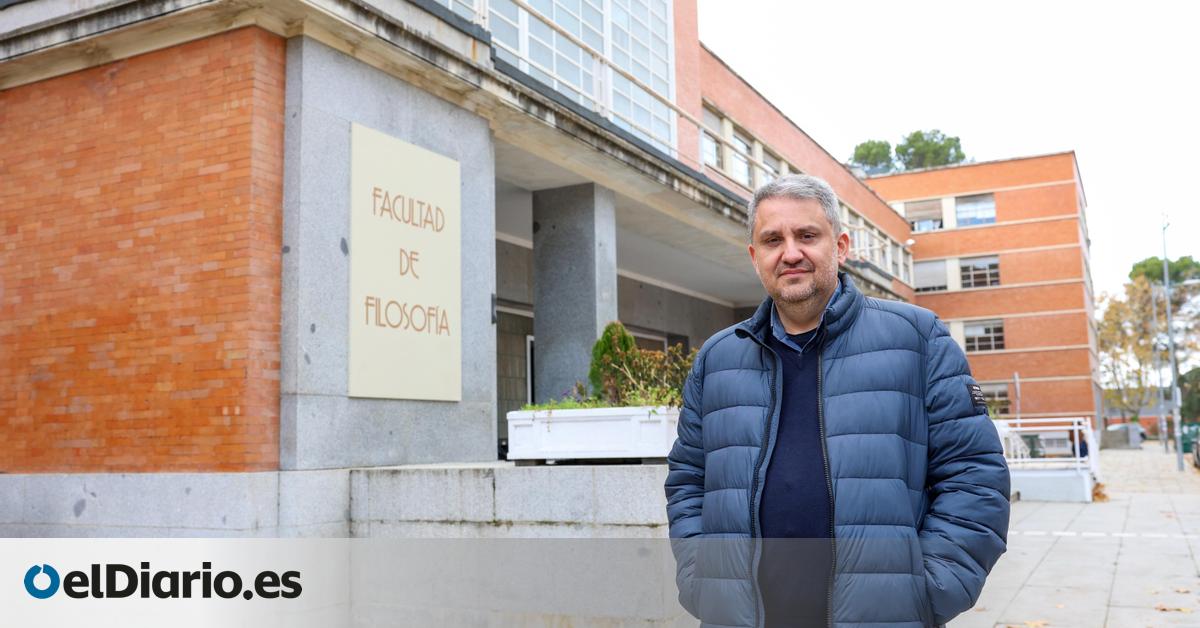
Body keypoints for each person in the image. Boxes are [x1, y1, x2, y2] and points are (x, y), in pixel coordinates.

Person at [665, 174, 1010, 628]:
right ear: (755, 257)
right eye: (773, 240)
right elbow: (689, 480)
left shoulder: (917, 338)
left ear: (840, 246)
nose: (790, 253)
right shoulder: (718, 358)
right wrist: (700, 579)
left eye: (807, 235)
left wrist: (927, 591)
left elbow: (975, 476)